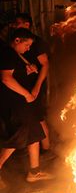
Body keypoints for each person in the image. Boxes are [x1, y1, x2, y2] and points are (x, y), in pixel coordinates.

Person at [0, 28, 55, 188]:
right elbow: (6, 78)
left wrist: (28, 69)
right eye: (27, 45)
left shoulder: (14, 54)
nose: (28, 48)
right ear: (17, 40)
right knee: (18, 138)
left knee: (34, 134)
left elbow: (14, 73)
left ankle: (34, 172)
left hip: (23, 104)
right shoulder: (7, 53)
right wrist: (27, 94)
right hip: (15, 104)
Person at [11, 13, 52, 151]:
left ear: (27, 25)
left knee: (38, 118)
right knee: (31, 119)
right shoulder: (13, 42)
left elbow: (45, 65)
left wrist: (36, 88)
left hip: (34, 87)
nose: (14, 26)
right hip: (22, 88)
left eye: (17, 23)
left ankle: (46, 149)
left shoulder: (37, 43)